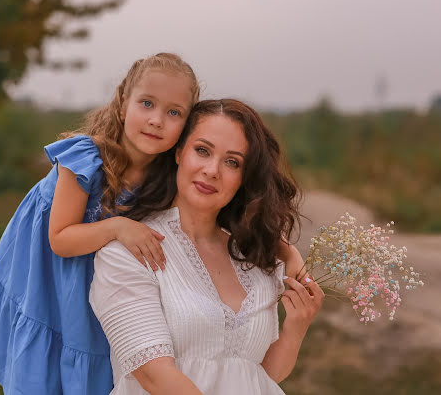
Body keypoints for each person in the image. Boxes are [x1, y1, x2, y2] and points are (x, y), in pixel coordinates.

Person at [0, 52, 200, 394]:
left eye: (174, 112)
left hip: (92, 293)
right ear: (123, 103)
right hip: (46, 280)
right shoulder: (85, 159)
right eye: (146, 103)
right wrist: (119, 226)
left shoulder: (167, 179)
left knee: (91, 371)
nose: (156, 120)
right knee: (43, 375)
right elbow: (60, 239)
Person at [90, 99, 324, 394]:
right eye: (202, 150)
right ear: (178, 152)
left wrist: (296, 328)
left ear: (244, 177)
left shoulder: (252, 258)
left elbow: (258, 375)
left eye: (232, 162)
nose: (212, 170)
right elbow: (153, 375)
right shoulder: (128, 251)